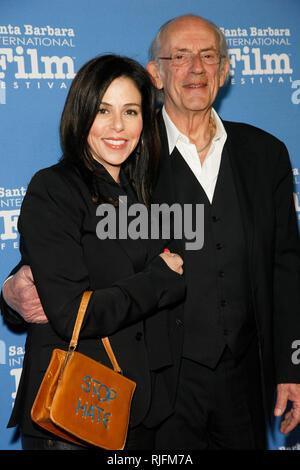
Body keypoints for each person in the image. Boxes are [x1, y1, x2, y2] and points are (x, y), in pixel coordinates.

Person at [2, 14, 300, 449]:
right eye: (179, 56)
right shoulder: (131, 155)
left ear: (225, 69)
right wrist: (11, 290)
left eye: (208, 56)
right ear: (156, 74)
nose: (196, 68)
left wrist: (291, 367)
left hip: (243, 383)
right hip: (158, 390)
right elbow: (67, 252)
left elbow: (286, 267)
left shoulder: (265, 154)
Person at [1, 54, 186, 451]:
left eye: (131, 111)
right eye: (103, 110)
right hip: (79, 412)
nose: (118, 126)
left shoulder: (147, 192)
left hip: (147, 409)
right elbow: (71, 315)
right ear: (81, 113)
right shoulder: (55, 189)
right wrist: (159, 280)